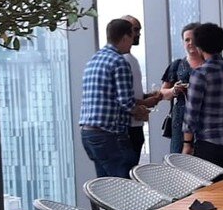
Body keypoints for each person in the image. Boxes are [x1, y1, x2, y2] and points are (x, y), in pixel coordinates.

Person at [79, 19, 157, 178]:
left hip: (89, 133)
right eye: (132, 35)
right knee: (124, 186)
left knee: (105, 186)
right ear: (125, 37)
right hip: (109, 134)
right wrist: (142, 110)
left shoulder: (94, 60)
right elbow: (126, 102)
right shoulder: (119, 62)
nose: (133, 40)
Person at [182, 23, 223, 169]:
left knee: (207, 190)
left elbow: (191, 113)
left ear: (199, 46)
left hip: (208, 144)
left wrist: (187, 144)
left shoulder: (200, 74)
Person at [160, 22, 205, 153]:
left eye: (194, 39)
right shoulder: (177, 65)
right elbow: (162, 93)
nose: (191, 43)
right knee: (179, 159)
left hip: (206, 117)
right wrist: (174, 90)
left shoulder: (211, 64)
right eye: (187, 40)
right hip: (180, 118)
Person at [122, 15, 158, 165]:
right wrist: (146, 101)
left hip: (135, 126)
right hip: (127, 128)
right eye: (135, 30)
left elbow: (129, 92)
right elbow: (121, 98)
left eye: (139, 30)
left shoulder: (131, 59)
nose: (138, 34)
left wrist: (148, 97)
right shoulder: (122, 60)